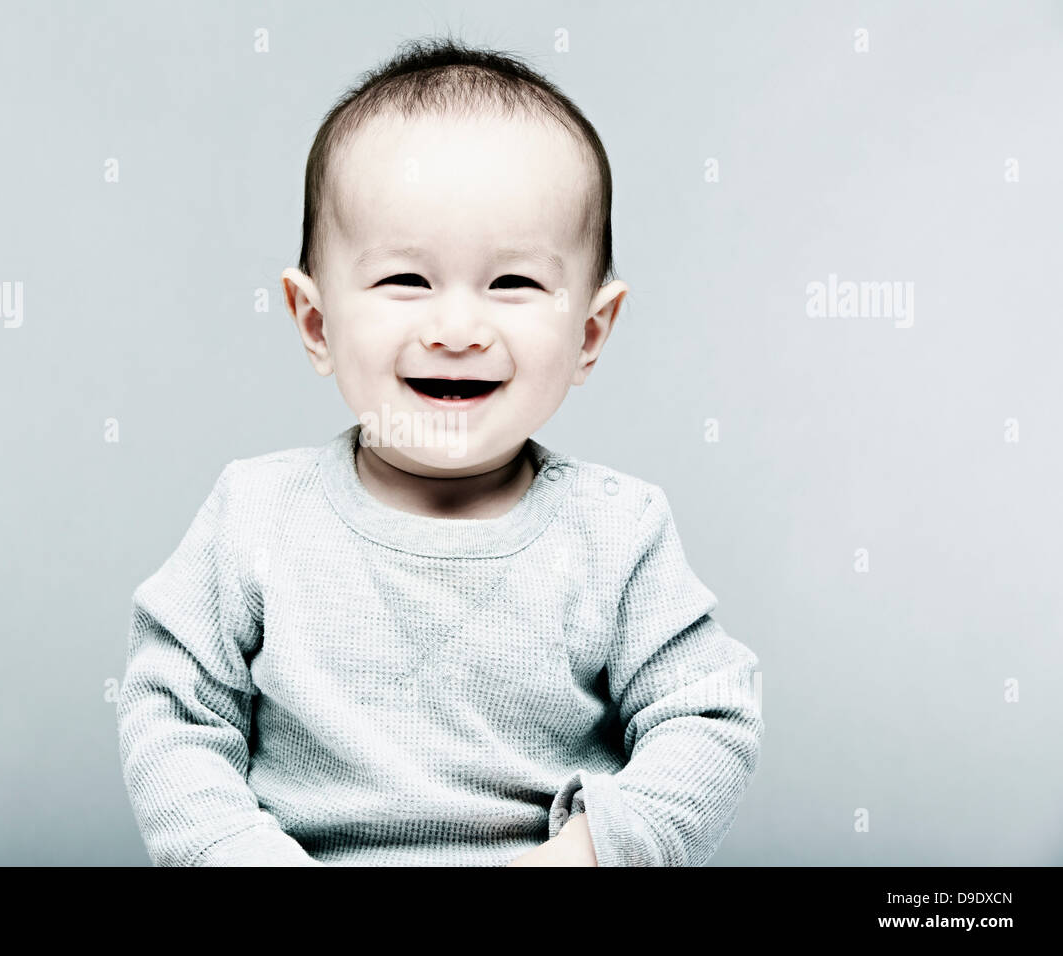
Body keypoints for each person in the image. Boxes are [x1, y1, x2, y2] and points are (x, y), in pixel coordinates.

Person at [116, 36, 763, 866]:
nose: (458, 330)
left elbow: (707, 720)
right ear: (315, 322)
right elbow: (171, 719)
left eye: (515, 284)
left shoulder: (617, 531)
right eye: (405, 282)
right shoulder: (254, 515)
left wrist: (590, 852)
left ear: (590, 332)